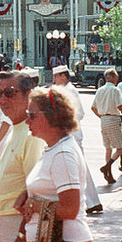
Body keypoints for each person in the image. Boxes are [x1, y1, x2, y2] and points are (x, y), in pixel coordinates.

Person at [15, 87, 94, 242]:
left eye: (32, 115)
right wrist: (27, 195)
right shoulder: (55, 149)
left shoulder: (63, 154)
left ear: (53, 116)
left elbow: (70, 209)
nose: (27, 121)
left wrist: (34, 205)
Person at [0, 71, 45, 242]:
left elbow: (35, 191)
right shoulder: (16, 129)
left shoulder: (31, 135)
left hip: (18, 221)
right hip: (5, 218)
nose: (3, 99)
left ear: (28, 95)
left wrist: (21, 236)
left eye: (10, 93)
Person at [53, 65, 103, 215]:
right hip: (69, 134)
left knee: (79, 170)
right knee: (79, 169)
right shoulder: (66, 90)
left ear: (63, 76)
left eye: (56, 77)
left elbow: (79, 114)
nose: (54, 80)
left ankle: (91, 202)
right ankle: (91, 202)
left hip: (72, 134)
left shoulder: (70, 91)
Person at [90, 68, 122, 184]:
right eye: (116, 77)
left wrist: (101, 116)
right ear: (112, 78)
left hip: (104, 119)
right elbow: (119, 106)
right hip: (113, 118)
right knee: (120, 148)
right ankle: (107, 166)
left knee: (108, 148)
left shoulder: (100, 90)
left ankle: (108, 173)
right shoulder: (115, 90)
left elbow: (93, 107)